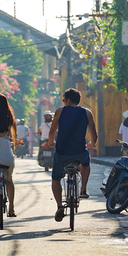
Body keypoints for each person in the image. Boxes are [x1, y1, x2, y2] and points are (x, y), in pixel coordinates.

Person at [48, 88, 97, 222]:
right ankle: (83, 189)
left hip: (62, 152)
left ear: (68, 100)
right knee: (86, 163)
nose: (63, 102)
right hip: (80, 152)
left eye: (64, 100)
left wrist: (51, 142)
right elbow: (93, 131)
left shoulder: (60, 111)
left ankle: (59, 206)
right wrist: (92, 143)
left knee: (56, 178)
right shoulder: (87, 112)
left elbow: (52, 130)